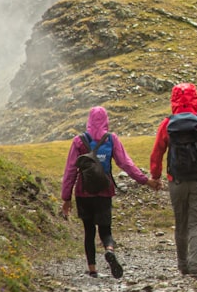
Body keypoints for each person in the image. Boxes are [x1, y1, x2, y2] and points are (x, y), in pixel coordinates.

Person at [60, 106, 160, 279]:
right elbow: (126, 164)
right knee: (105, 230)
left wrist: (66, 198)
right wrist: (145, 180)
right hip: (104, 191)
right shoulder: (111, 139)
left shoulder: (78, 141)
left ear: (89, 120)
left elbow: (70, 171)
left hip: (83, 193)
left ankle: (92, 270)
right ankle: (109, 250)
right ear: (106, 120)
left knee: (89, 231)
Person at [149, 83, 197, 276]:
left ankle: (183, 265)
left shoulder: (167, 123)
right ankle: (195, 265)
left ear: (173, 100)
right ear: (195, 98)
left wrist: (156, 176)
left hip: (176, 181)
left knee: (181, 222)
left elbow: (157, 152)